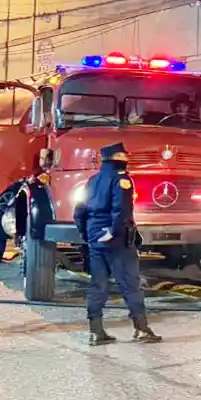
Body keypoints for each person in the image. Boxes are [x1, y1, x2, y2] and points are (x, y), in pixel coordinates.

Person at [73, 143, 161, 345]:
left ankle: (96, 332)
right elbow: (121, 210)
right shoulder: (122, 180)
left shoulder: (92, 181)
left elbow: (79, 210)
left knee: (98, 284)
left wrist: (86, 234)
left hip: (95, 237)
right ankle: (142, 329)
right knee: (130, 284)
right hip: (116, 239)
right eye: (124, 155)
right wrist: (112, 232)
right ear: (117, 157)